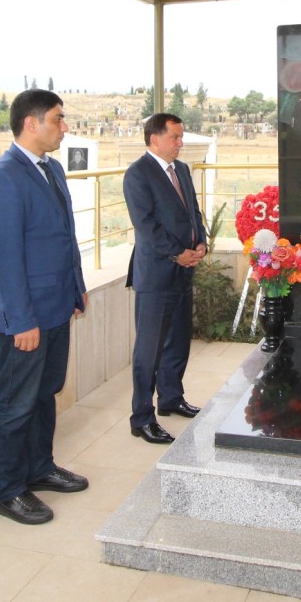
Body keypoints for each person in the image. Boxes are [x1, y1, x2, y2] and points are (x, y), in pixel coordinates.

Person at [0, 90, 89, 526]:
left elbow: (64, 234)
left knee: (46, 393)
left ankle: (39, 467)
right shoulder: (3, 177)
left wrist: (76, 288)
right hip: (24, 316)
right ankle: (7, 490)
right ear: (31, 123)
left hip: (56, 305)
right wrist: (21, 320)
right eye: (58, 120)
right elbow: (5, 258)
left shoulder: (52, 169)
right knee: (15, 402)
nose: (64, 127)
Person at [125, 112, 207, 444]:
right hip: (157, 273)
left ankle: (170, 398)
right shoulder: (138, 174)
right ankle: (141, 417)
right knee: (149, 349)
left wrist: (200, 241)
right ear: (154, 139)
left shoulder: (182, 170)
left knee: (178, 338)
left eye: (181, 136)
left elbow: (193, 212)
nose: (180, 142)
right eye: (175, 137)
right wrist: (178, 252)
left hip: (184, 270)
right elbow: (146, 226)